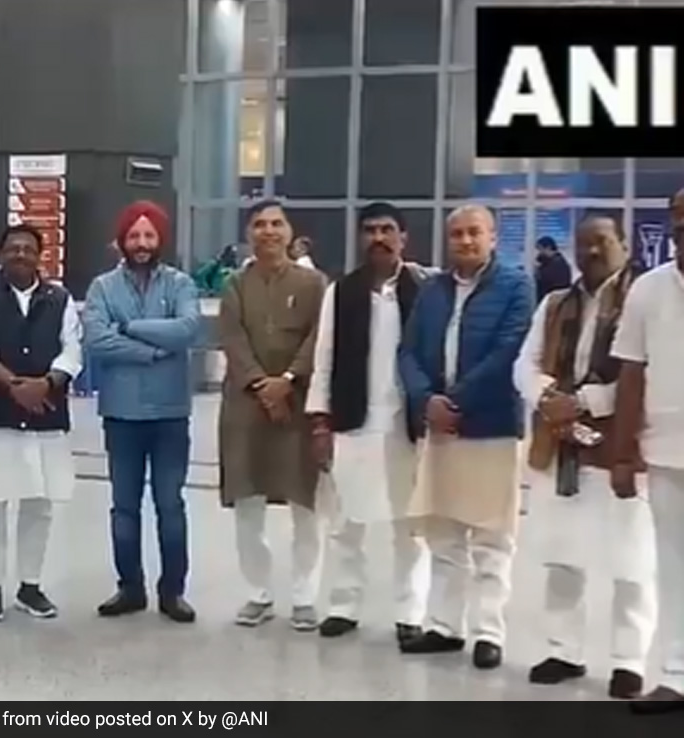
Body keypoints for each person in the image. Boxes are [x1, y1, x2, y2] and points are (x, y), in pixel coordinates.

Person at [516, 214, 655, 700]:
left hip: (621, 449)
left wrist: (585, 402)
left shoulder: (642, 300)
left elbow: (646, 372)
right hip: (561, 446)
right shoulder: (556, 303)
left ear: (623, 244)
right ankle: (564, 650)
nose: (591, 251)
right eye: (582, 244)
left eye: (601, 242)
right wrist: (547, 396)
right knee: (561, 558)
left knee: (631, 564)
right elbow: (525, 363)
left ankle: (628, 661)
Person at [397, 205, 533, 670]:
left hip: (491, 427)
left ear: (493, 237)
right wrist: (426, 400)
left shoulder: (516, 286)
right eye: (457, 234)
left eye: (475, 232)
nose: (466, 241)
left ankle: (488, 633)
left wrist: (453, 402)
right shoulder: (432, 289)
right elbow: (407, 351)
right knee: (444, 534)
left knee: (492, 538)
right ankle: (444, 626)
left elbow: (508, 351)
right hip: (439, 431)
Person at [305, 202, 431, 644]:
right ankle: (344, 605)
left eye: (387, 230)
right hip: (352, 419)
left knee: (411, 524)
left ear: (403, 237)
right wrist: (320, 423)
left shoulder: (423, 288)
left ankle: (410, 612)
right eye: (370, 230)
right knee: (346, 522)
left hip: (407, 425)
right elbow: (323, 359)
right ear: (360, 238)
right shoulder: (341, 292)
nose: (378, 238)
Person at [82, 201, 201, 623]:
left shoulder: (181, 284)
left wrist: (129, 328)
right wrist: (152, 352)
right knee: (124, 507)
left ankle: (173, 592)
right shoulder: (102, 288)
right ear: (122, 241)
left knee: (170, 504)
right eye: (134, 235)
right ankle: (130, 588)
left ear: (161, 239)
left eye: (149, 235)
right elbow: (97, 340)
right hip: (122, 414)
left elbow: (187, 330)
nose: (142, 243)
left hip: (170, 413)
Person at [217, 199, 325, 630]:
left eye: (277, 223)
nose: (269, 231)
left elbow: (320, 338)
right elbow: (232, 338)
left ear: (289, 231)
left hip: (300, 404)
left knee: (306, 504)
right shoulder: (235, 285)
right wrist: (263, 386)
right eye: (259, 224)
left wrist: (288, 380)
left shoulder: (314, 283)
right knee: (248, 503)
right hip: (245, 405)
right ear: (249, 234)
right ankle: (257, 594)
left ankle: (304, 597)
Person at [0, 224, 82, 621]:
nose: (20, 254)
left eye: (28, 249)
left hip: (46, 415)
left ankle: (30, 587)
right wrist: (14, 386)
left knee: (39, 505)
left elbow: (73, 349)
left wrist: (46, 384)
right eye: (12, 248)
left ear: (40, 256)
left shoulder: (60, 299)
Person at [610, 189, 684, 713]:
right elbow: (631, 371)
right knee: (673, 567)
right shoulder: (649, 288)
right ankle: (678, 674)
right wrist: (622, 453)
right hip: (666, 451)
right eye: (678, 216)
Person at [535, 236, 573, 303]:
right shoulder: (555, 263)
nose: (539, 253)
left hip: (552, 302)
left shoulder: (557, 266)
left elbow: (546, 285)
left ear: (548, 248)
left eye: (540, 249)